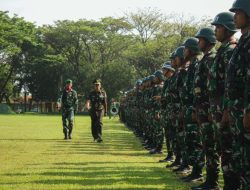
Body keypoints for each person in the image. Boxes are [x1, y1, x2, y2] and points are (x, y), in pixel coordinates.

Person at [227, 1, 250, 189]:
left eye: (238, 12)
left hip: (245, 110)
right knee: (240, 157)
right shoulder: (243, 41)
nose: (235, 16)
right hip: (237, 110)